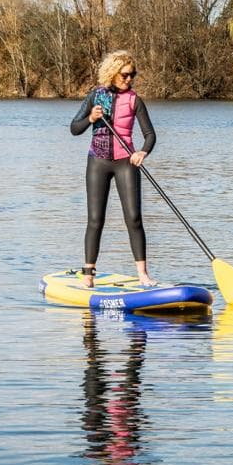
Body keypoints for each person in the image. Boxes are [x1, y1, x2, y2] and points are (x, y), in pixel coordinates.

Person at [71, 50, 157, 288]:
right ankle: (88, 275)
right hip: (97, 161)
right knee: (95, 219)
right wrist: (90, 118)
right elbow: (74, 128)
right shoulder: (96, 96)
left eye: (133, 75)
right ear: (113, 73)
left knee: (134, 218)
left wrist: (142, 152)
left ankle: (143, 274)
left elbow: (150, 135)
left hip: (125, 162)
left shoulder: (134, 100)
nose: (130, 79)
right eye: (125, 75)